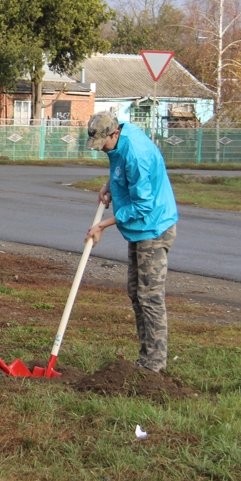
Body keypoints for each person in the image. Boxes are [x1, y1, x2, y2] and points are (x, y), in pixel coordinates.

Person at [84, 112, 178, 373]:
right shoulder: (122, 137)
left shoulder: (136, 153)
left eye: (103, 143)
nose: (101, 149)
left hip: (153, 227)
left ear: (115, 134)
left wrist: (102, 225)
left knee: (149, 296)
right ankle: (145, 357)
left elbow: (143, 205)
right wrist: (109, 185)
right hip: (139, 229)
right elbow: (120, 167)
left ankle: (155, 364)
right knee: (135, 292)